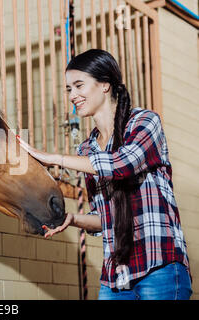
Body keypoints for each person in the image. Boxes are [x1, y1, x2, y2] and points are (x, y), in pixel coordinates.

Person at [18, 49, 192, 300]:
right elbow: (104, 217)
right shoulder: (87, 149)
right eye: (68, 89)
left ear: (105, 85)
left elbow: (123, 164)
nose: (73, 95)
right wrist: (73, 219)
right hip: (116, 277)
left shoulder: (144, 122)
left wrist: (52, 158)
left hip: (159, 266)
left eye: (79, 85)